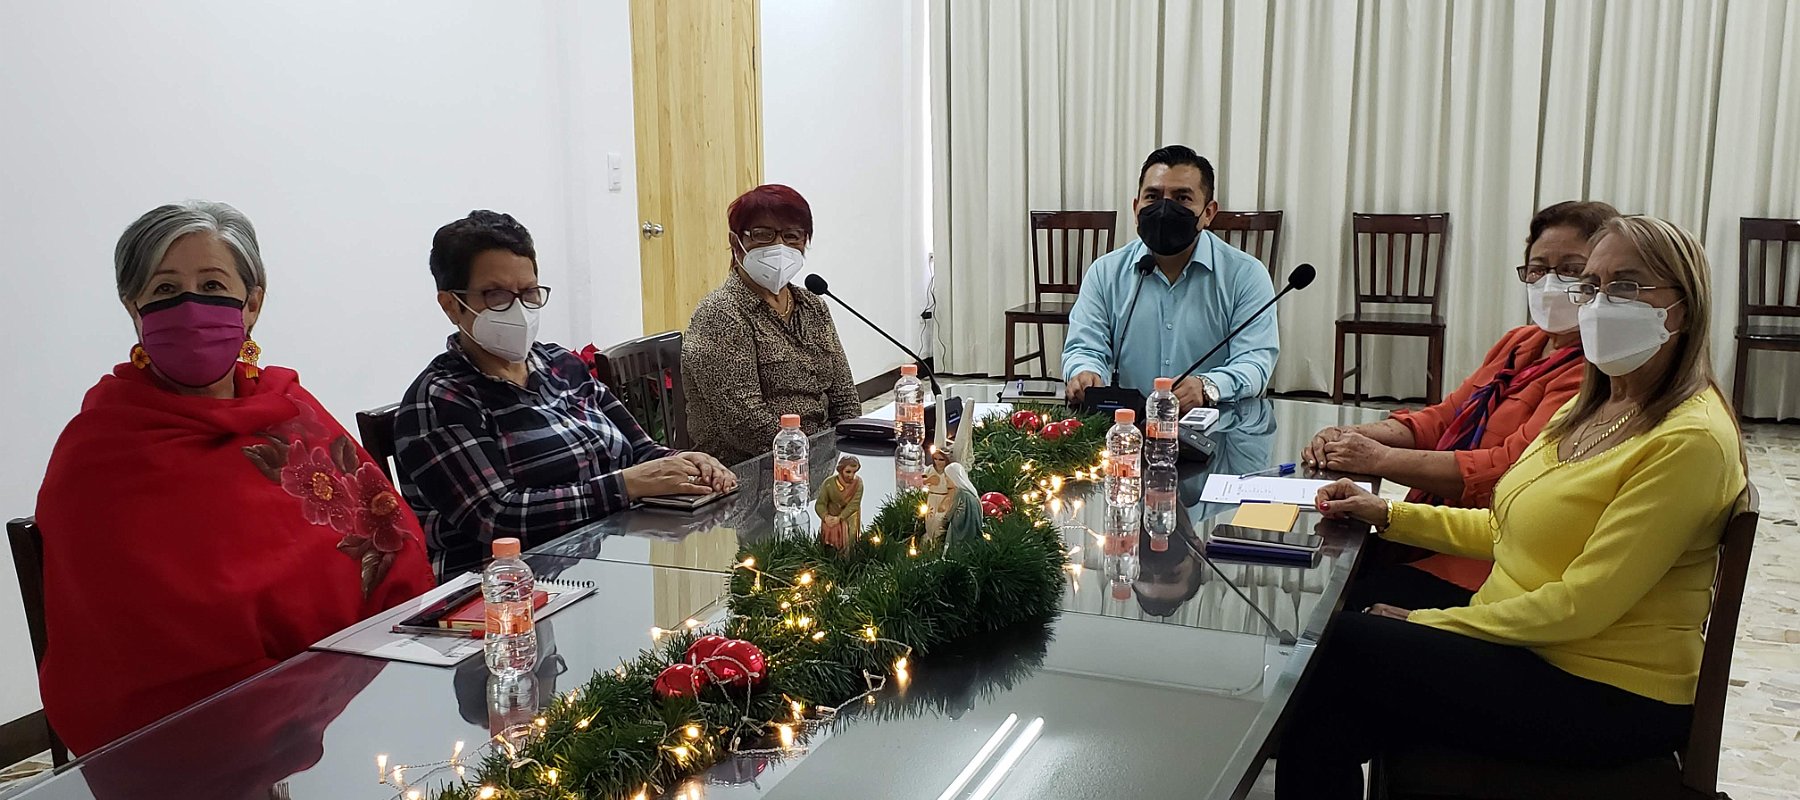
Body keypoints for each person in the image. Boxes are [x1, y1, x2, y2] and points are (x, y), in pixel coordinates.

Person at [1277, 216, 1746, 798]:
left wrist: (1426, 623)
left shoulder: (1689, 440)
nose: (1599, 303)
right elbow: (1507, 527)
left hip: (1605, 688)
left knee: (1338, 651)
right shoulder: (1592, 406)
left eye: (1626, 286)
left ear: (1685, 307)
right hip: (1529, 646)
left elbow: (1580, 605)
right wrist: (1387, 514)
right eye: (1592, 286)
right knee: (1329, 707)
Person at [35, 201, 436, 755]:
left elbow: (385, 538)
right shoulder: (100, 452)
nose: (190, 306)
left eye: (212, 285)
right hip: (213, 737)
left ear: (252, 304)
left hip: (370, 692)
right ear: (133, 307)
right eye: (165, 289)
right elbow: (139, 642)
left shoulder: (290, 412)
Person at [395, 210, 735, 577]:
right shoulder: (441, 399)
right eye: (496, 295)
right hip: (505, 589)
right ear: (451, 305)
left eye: (529, 292)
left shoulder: (560, 365)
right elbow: (499, 516)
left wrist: (688, 462)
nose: (518, 309)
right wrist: (626, 485)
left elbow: (640, 450)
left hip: (606, 559)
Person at [1304, 200, 1618, 596]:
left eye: (1570, 270)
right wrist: (1351, 436)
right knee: (1322, 563)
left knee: (1342, 599)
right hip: (1433, 526)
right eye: (1538, 269)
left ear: (1598, 279)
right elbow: (1444, 418)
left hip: (1486, 558)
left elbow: (1507, 471)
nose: (1549, 283)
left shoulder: (1594, 371)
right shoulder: (1521, 342)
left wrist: (1378, 459)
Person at [1063, 145, 1279, 410]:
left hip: (1216, 423)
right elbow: (1084, 348)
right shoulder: (1105, 273)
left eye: (1182, 198)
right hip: (1125, 425)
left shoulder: (1245, 275)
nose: (1164, 208)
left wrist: (1208, 386)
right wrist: (1085, 373)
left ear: (1208, 213)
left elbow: (1255, 362)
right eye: (1152, 197)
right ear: (1136, 208)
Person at [683, 184, 860, 466]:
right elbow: (744, 425)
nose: (779, 246)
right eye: (763, 234)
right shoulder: (720, 314)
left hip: (820, 460)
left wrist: (851, 452)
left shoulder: (813, 306)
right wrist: (807, 461)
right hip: (751, 471)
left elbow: (844, 396)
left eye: (792, 236)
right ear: (736, 241)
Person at [815, 455, 864, 549]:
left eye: (854, 472)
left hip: (849, 518)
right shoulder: (829, 483)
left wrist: (840, 518)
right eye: (848, 472)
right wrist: (825, 516)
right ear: (841, 470)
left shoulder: (858, 483)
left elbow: (854, 504)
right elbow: (820, 503)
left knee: (850, 543)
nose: (851, 475)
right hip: (831, 518)